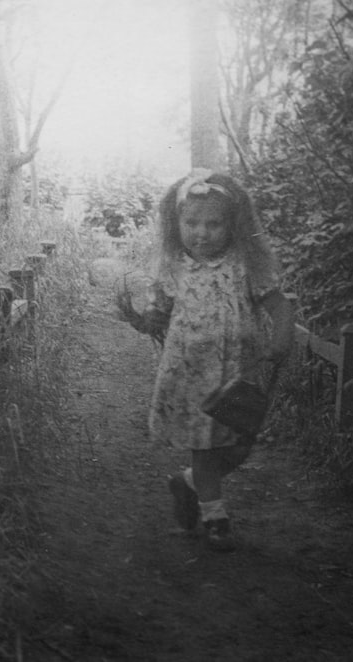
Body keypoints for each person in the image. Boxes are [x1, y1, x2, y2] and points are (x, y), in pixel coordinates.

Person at [119, 168, 294, 552]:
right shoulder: (174, 267)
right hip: (190, 376)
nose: (201, 233)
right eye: (192, 223)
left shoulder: (245, 266)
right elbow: (159, 317)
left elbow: (280, 307)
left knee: (240, 446)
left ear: (233, 225)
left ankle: (188, 483)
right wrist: (139, 318)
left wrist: (280, 342)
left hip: (237, 375)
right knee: (204, 446)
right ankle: (215, 518)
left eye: (213, 224)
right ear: (177, 223)